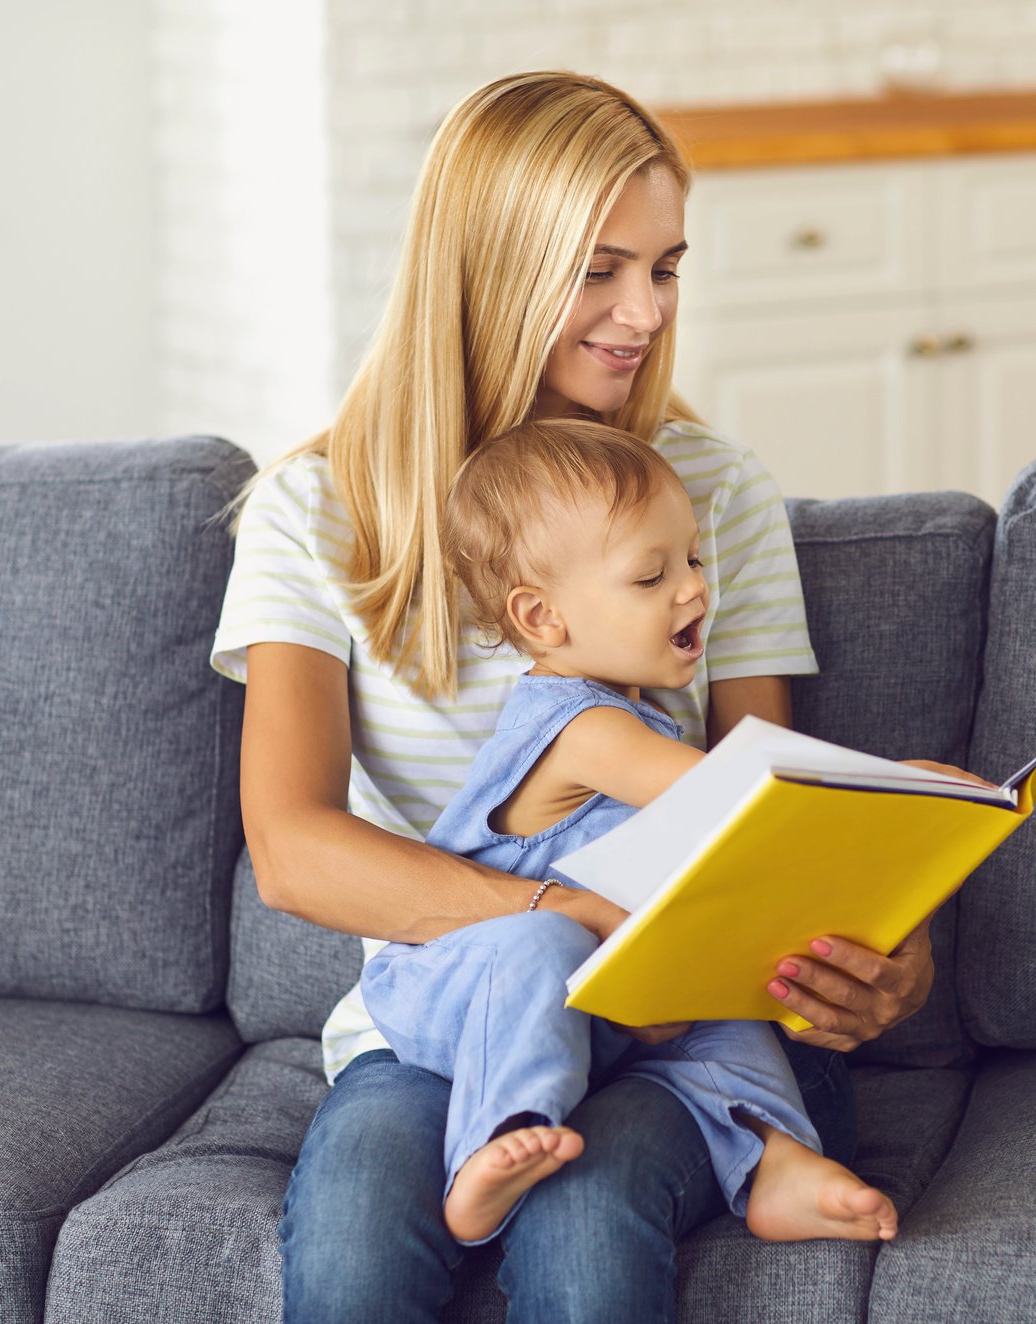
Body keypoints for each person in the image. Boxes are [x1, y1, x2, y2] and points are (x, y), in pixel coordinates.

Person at [212, 70, 942, 1323]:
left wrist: (894, 955)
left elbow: (758, 804)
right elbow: (293, 849)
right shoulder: (316, 509)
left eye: (665, 267)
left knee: (590, 1222)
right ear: (488, 268)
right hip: (444, 1016)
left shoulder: (712, 489)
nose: (644, 311)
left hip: (691, 1025)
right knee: (350, 1249)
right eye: (600, 269)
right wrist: (561, 925)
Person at [359, 417, 898, 1250]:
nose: (693, 589)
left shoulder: (633, 714)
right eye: (651, 577)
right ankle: (490, 1147)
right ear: (542, 618)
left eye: (691, 559)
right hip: (459, 987)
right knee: (537, 940)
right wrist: (909, 791)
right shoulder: (581, 728)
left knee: (713, 992)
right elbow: (739, 798)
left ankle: (774, 1156)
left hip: (590, 999)